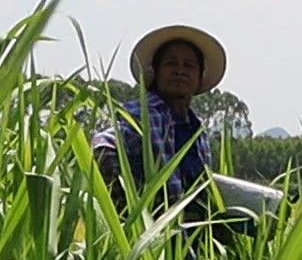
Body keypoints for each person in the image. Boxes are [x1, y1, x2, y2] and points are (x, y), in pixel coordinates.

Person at [91, 24, 251, 242]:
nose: (180, 70)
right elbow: (102, 147)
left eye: (189, 65)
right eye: (171, 63)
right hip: (151, 245)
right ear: (155, 74)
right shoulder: (146, 115)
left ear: (199, 77)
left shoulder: (197, 132)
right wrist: (128, 211)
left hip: (185, 249)